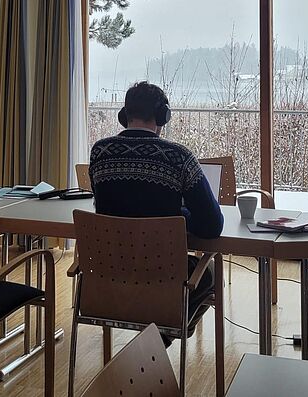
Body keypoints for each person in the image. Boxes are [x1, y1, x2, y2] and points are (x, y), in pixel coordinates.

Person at [89, 81, 223, 340]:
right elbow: (212, 224)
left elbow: (104, 207)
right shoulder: (178, 157)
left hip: (110, 274)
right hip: (164, 275)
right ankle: (161, 337)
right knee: (212, 273)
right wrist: (180, 215)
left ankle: (153, 340)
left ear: (124, 115)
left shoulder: (99, 152)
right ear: (163, 116)